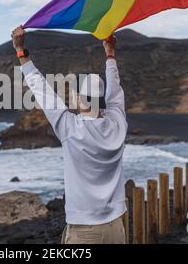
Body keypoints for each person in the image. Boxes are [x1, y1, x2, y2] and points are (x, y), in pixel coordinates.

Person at [11, 26, 128, 244]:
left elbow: (42, 90)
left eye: (74, 94)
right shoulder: (117, 123)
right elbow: (115, 91)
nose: (71, 97)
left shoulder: (71, 128)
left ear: (82, 100)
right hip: (116, 228)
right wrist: (109, 54)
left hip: (85, 232)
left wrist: (20, 50)